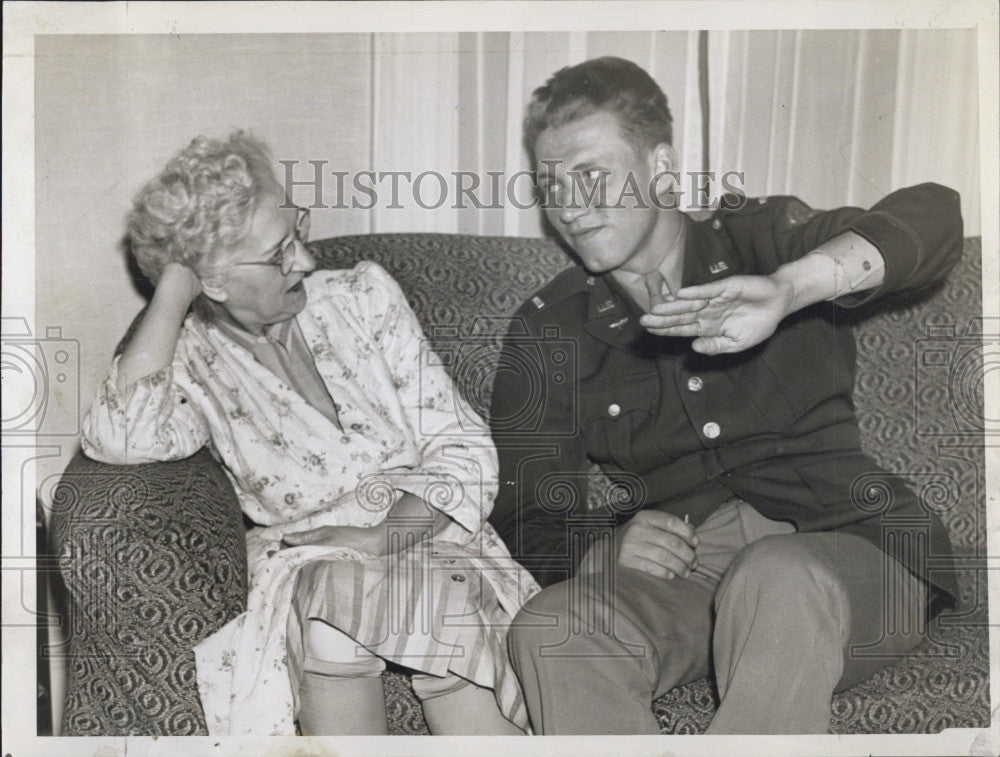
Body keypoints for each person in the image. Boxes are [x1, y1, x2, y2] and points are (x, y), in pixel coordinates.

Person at [489, 56, 963, 734]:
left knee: (775, 575)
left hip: (856, 551)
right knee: (550, 625)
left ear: (661, 166)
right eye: (550, 183)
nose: (568, 205)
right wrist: (598, 547)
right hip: (689, 583)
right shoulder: (547, 329)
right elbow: (524, 512)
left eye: (591, 174)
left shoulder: (764, 238)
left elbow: (935, 216)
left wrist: (790, 287)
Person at [82, 131, 538, 736]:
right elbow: (120, 437)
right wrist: (171, 292)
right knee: (331, 617)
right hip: (316, 562)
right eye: (278, 254)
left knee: (436, 598)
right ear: (212, 281)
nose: (305, 260)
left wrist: (385, 537)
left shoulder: (361, 298)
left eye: (295, 232)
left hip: (431, 536)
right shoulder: (193, 365)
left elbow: (464, 446)